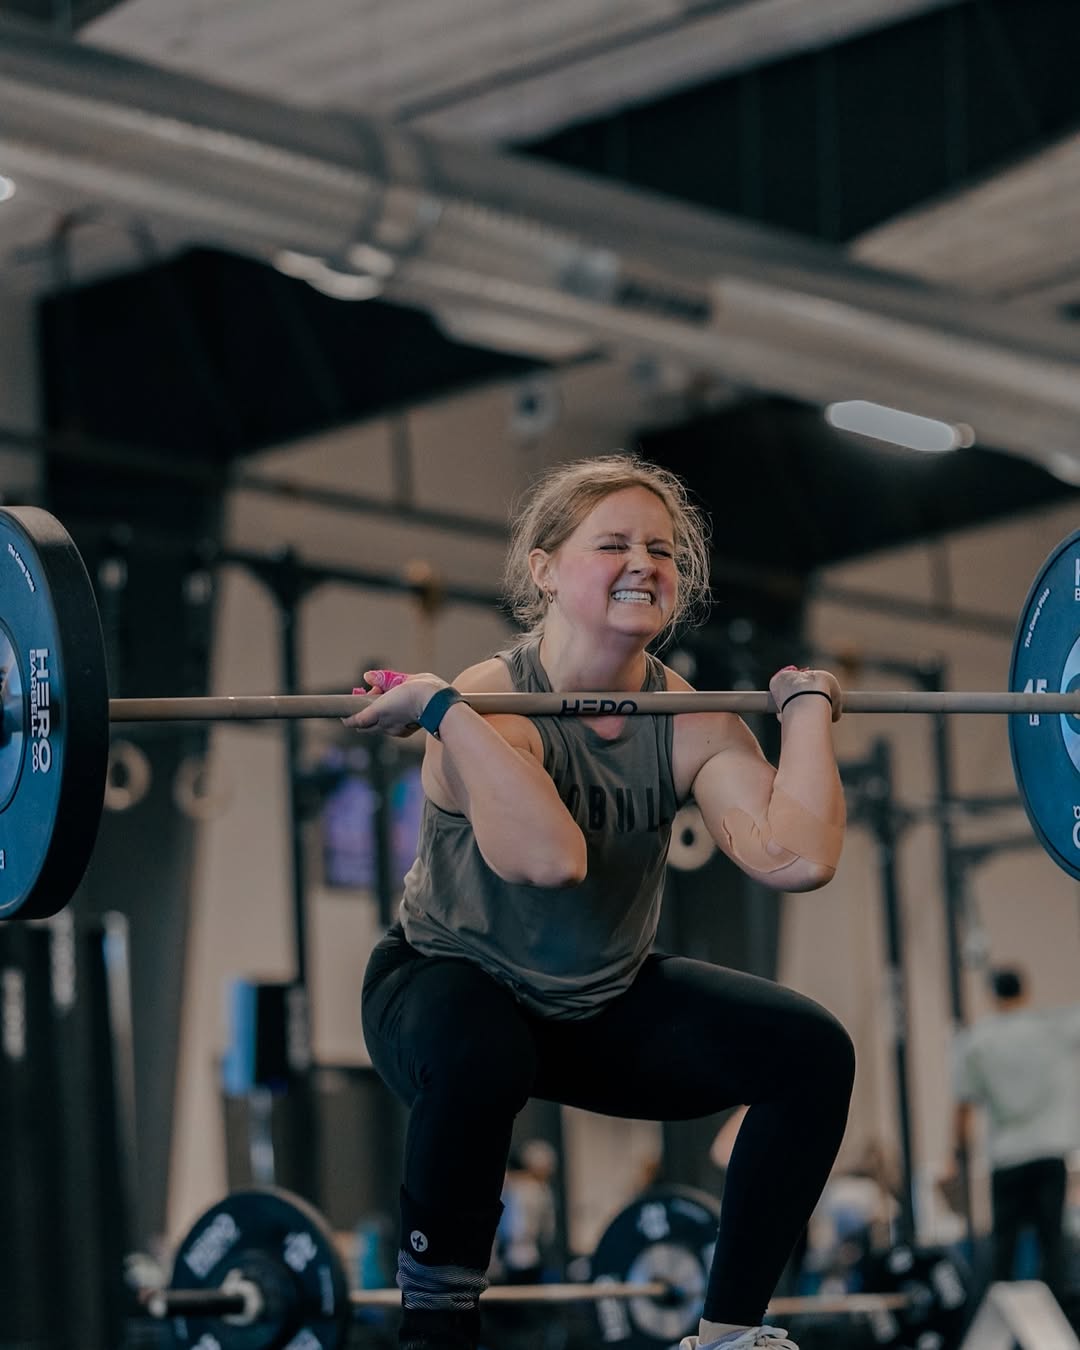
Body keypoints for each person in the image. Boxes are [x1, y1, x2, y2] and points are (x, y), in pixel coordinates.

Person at [348, 453, 854, 1350]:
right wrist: (444, 715)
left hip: (594, 1003)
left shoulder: (689, 718)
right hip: (440, 988)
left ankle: (730, 1335)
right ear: (543, 569)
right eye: (612, 543)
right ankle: (435, 1330)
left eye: (660, 550)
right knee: (483, 1048)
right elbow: (547, 860)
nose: (644, 564)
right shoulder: (494, 702)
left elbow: (796, 857)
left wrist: (807, 710)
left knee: (812, 1053)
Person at [948, 966, 1080, 1302]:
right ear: (1026, 991)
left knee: (1003, 1246)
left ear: (993, 996)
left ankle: (999, 1321)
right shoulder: (1053, 1029)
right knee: (1052, 1242)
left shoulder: (977, 1041)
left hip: (1006, 1158)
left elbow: (963, 1108)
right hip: (1049, 1152)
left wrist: (956, 1157)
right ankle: (1058, 1322)